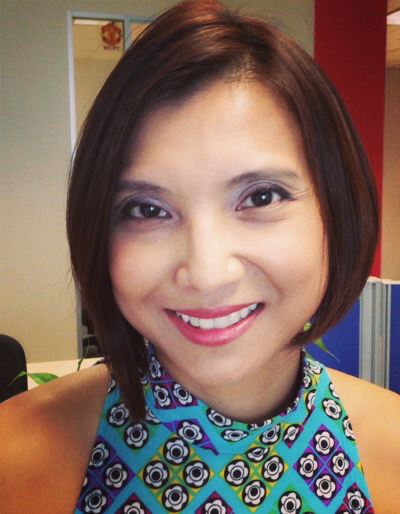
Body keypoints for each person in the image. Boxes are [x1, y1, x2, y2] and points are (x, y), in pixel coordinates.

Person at [1, 1, 399, 512]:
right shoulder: (17, 459)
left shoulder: (390, 448)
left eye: (261, 197)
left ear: (336, 210)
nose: (208, 275)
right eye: (148, 209)